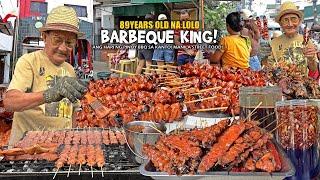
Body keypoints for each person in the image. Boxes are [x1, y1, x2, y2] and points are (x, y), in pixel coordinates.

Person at [3, 6, 87, 145]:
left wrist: (71, 140)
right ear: (44, 37)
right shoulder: (29, 62)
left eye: (69, 43)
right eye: (57, 40)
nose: (63, 48)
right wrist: (49, 94)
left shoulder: (70, 70)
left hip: (59, 148)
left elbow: (73, 111)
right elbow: (10, 102)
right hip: (27, 151)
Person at [269, 1, 318, 74]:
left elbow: (313, 69)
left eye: (293, 19)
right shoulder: (273, 43)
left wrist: (311, 59)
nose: (290, 24)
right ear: (280, 23)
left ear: (299, 21)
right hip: (280, 84)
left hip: (301, 84)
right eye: (285, 20)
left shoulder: (307, 41)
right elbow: (268, 69)